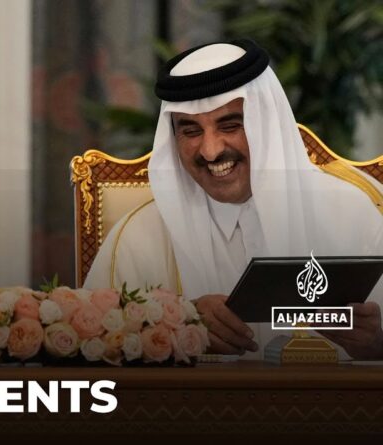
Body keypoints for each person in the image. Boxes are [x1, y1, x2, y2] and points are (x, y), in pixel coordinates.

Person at [84, 39, 383, 360]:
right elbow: (93, 353)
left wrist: (376, 345)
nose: (211, 151)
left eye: (230, 125)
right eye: (191, 131)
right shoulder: (138, 237)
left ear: (266, 125)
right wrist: (181, 326)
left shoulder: (353, 214)